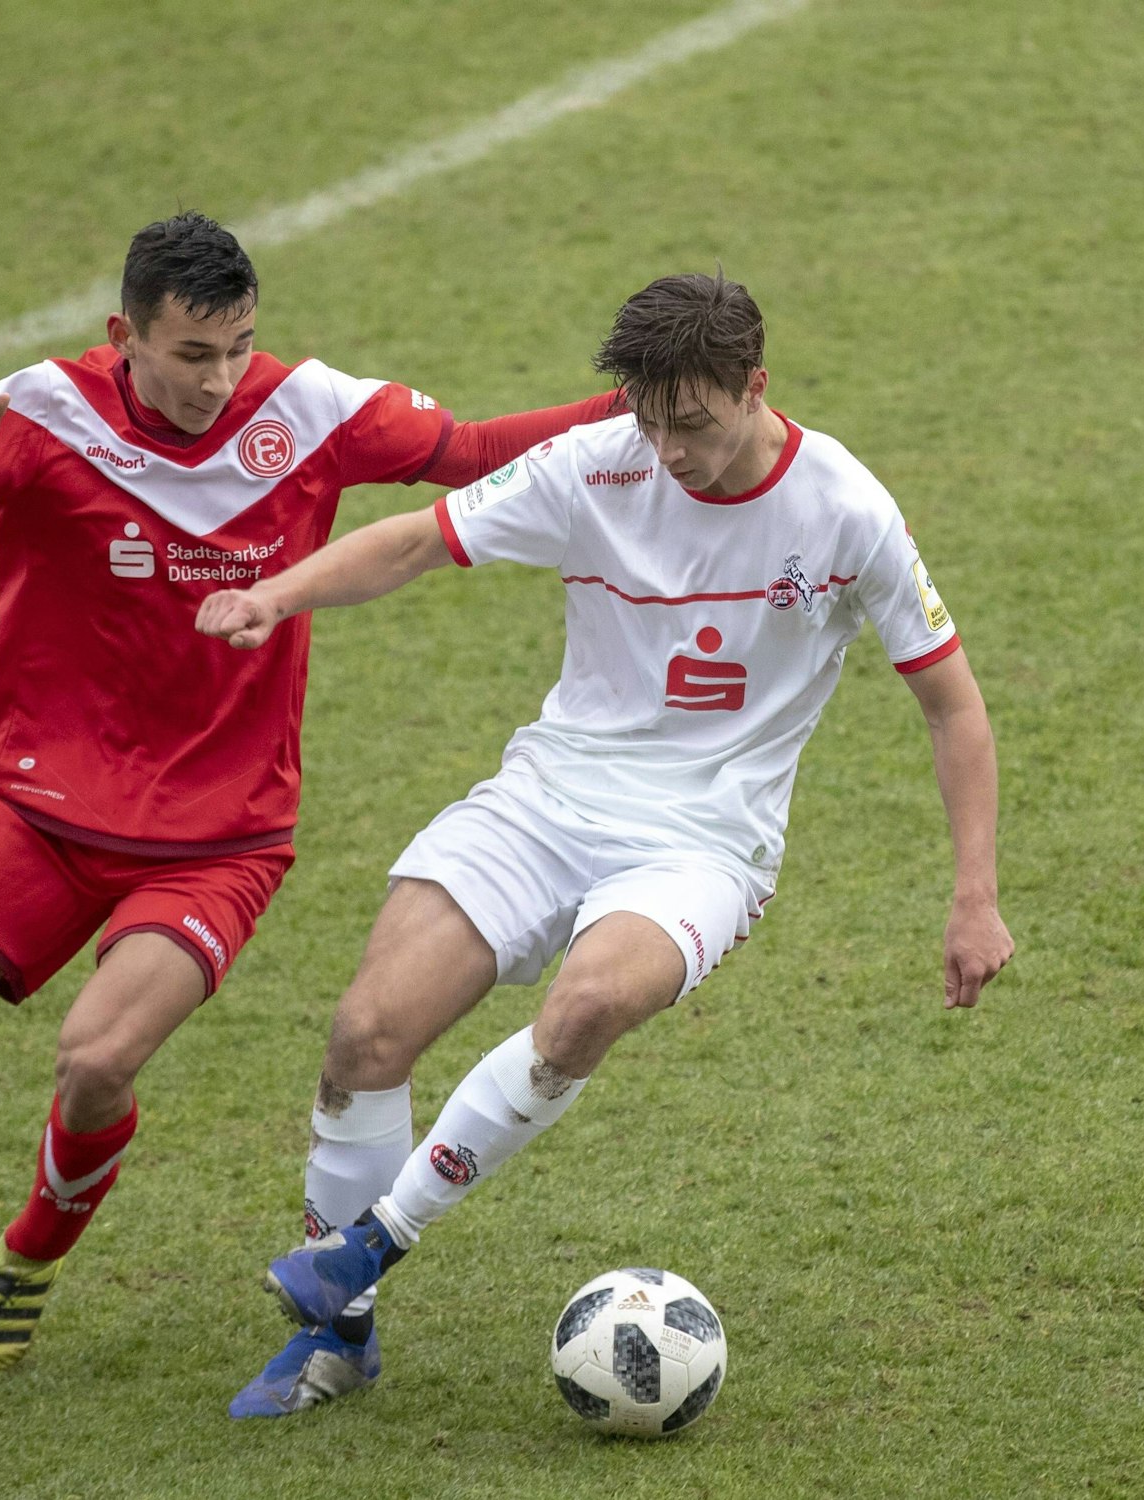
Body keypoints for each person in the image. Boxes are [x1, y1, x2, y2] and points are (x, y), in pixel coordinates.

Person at [0, 211, 620, 1375]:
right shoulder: (43, 413)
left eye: (238, 345)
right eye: (193, 353)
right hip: (41, 819)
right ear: (123, 336)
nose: (221, 377)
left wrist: (641, 405)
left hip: (218, 840)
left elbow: (477, 448)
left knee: (95, 1063)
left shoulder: (309, 413)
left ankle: (24, 1264)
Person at [198, 271, 1014, 1417]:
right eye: (651, 418)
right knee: (365, 1031)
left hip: (701, 843)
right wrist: (278, 594)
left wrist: (971, 896)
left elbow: (952, 705)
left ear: (754, 387)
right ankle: (343, 1340)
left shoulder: (844, 510)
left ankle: (367, 1249)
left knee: (583, 1009)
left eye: (694, 421)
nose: (670, 450)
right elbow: (415, 544)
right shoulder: (598, 462)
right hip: (546, 799)